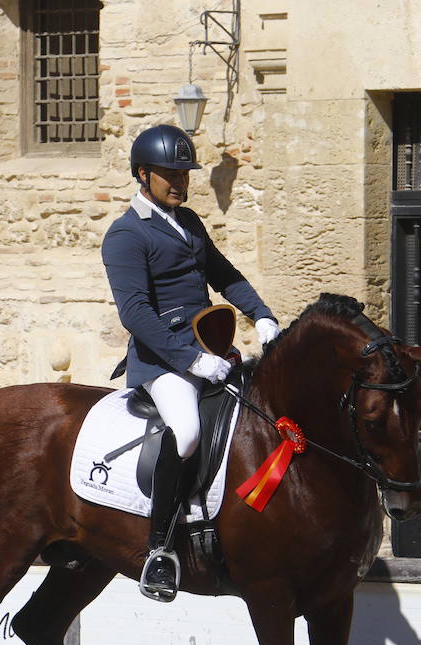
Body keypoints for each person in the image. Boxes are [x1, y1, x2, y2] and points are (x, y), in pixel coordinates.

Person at [102, 123, 279, 602]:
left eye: (185, 172)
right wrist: (191, 362)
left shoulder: (192, 223)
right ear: (143, 174)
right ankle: (160, 551)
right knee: (188, 433)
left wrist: (261, 314)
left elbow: (223, 274)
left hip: (211, 348)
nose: (180, 181)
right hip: (162, 361)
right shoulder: (125, 235)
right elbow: (135, 313)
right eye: (169, 174)